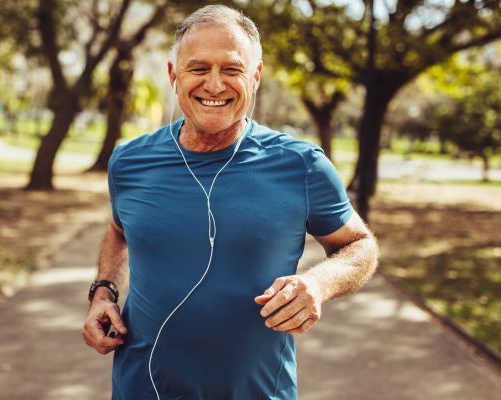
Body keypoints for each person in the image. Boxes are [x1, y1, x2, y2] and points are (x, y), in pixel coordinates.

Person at [82, 5, 379, 399]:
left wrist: (317, 283)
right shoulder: (129, 161)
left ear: (255, 76)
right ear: (174, 75)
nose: (215, 85)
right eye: (199, 68)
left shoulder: (302, 165)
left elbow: (360, 245)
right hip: (140, 387)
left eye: (232, 69)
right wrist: (103, 293)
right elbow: (120, 230)